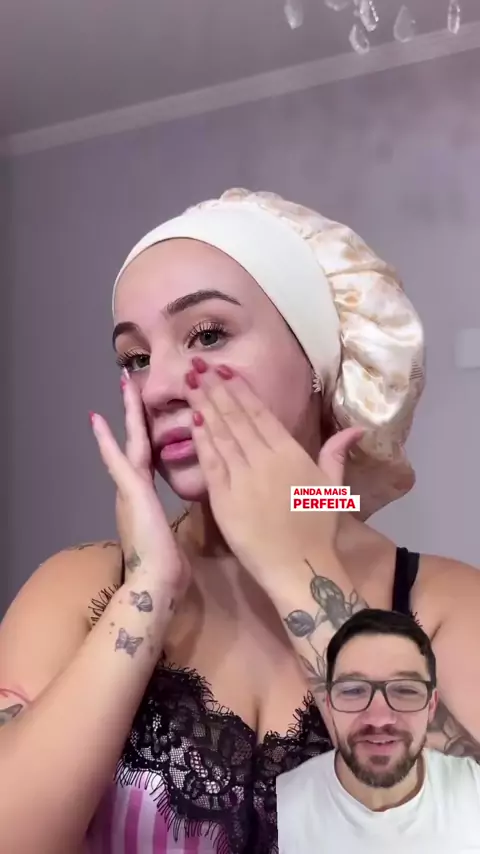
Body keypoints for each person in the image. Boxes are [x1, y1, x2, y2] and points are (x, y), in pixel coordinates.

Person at [0, 188, 479, 854]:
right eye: (135, 358)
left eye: (207, 335)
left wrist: (300, 570)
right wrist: (148, 590)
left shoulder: (448, 604)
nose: (157, 387)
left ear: (319, 361)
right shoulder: (78, 588)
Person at [276, 609, 480, 852]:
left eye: (405, 690)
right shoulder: (278, 811)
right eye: (353, 691)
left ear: (431, 705)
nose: (379, 719)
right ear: (329, 705)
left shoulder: (474, 792)